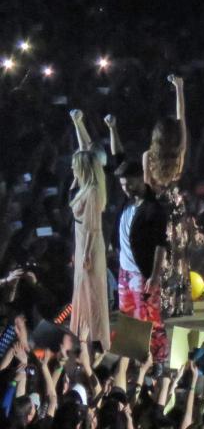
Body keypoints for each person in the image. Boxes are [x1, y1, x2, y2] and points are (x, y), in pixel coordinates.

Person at [110, 157, 170, 364]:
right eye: (123, 185)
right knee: (128, 318)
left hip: (142, 272)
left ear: (140, 179)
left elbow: (161, 245)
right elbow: (118, 155)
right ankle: (135, 359)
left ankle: (159, 360)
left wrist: (154, 275)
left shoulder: (154, 209)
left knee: (151, 319)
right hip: (125, 272)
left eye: (129, 184)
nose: (126, 188)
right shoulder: (127, 203)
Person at [140, 75, 190, 317]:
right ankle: (179, 302)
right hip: (176, 206)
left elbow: (147, 188)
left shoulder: (148, 156)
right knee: (178, 254)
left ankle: (163, 302)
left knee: (161, 254)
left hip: (158, 208)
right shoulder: (179, 153)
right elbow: (181, 121)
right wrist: (179, 89)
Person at [68, 109, 110, 351]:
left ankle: (95, 338)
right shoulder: (85, 184)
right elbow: (84, 149)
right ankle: (82, 334)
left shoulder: (93, 190)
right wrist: (78, 122)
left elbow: (93, 228)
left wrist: (84, 255)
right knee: (83, 290)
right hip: (82, 241)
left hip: (90, 246)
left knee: (91, 292)